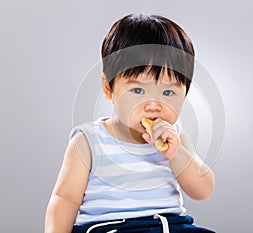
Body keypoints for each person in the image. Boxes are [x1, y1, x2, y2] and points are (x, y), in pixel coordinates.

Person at [45, 14, 216, 233]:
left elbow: (203, 190)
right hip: (110, 228)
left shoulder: (176, 137)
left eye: (168, 92)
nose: (153, 105)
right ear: (108, 88)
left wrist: (176, 154)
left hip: (168, 226)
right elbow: (64, 198)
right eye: (138, 90)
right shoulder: (89, 140)